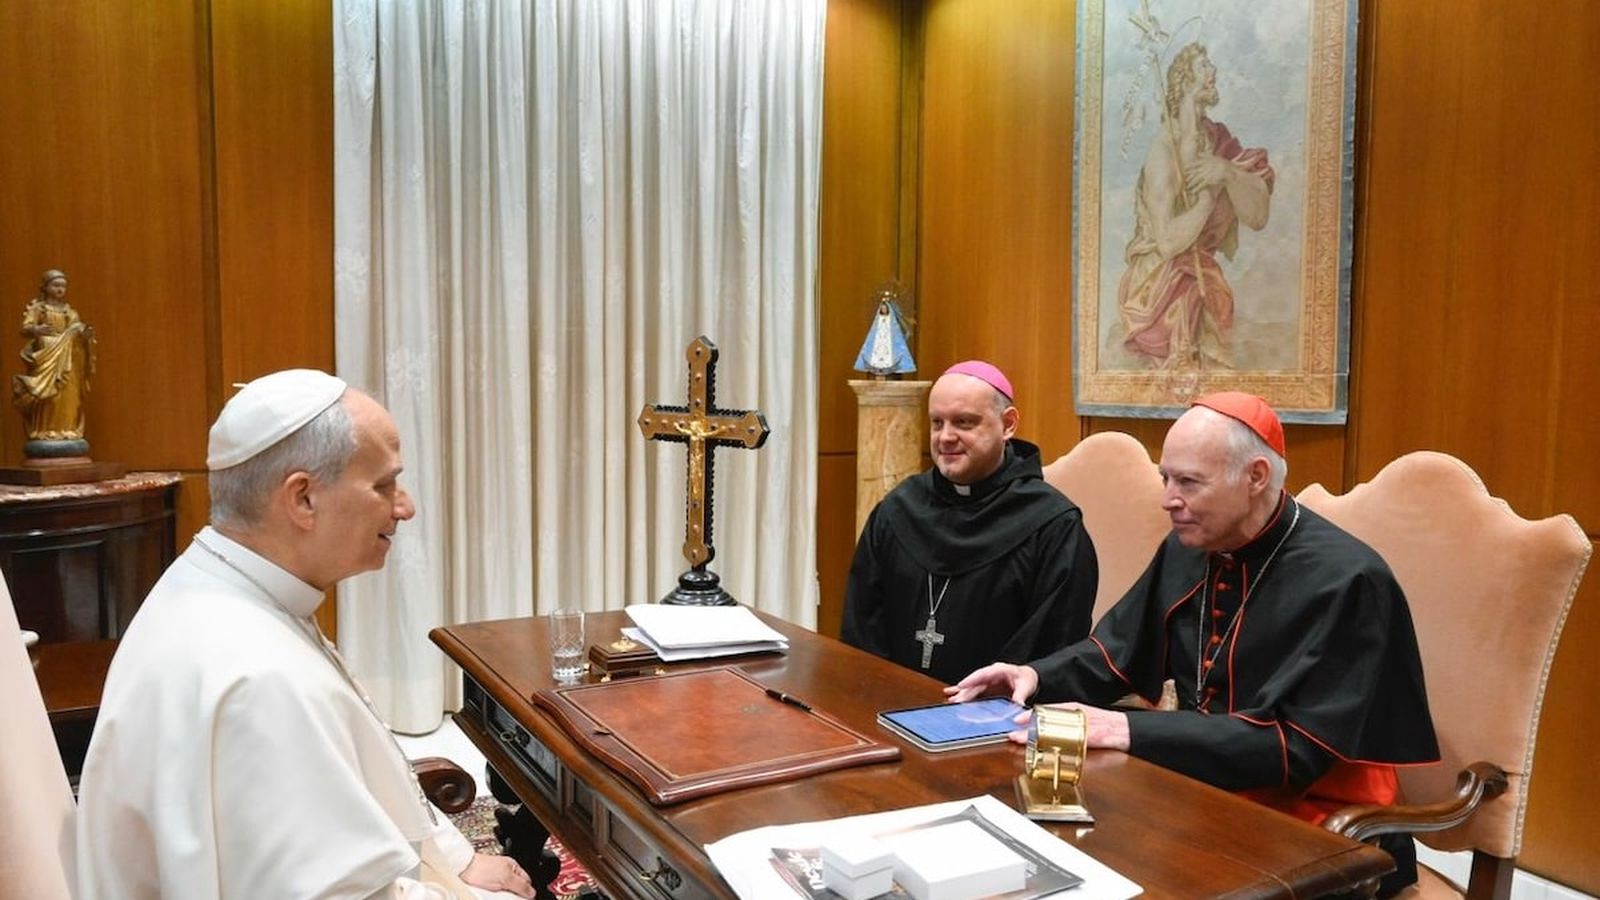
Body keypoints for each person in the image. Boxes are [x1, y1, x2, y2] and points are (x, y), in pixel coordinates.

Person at [948, 392, 1438, 897]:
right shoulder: (1192, 544)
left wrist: (1126, 729)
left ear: (1256, 477)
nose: (1168, 499)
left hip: (1316, 818)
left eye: (1188, 482)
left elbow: (1295, 751)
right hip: (1203, 792)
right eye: (1166, 478)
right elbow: (1118, 650)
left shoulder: (1350, 580)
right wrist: (1035, 675)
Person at [76, 369, 534, 900]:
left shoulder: (224, 584)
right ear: (302, 499)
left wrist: (452, 858)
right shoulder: (255, 674)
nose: (404, 506)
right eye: (384, 484)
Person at [841, 360, 1098, 684]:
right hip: (887, 711)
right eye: (937, 423)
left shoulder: (1052, 525)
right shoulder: (898, 510)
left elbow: (1052, 649)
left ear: (1008, 424)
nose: (945, 437)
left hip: (996, 722)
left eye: (964, 422)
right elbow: (862, 630)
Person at [1117, 43, 1273, 370]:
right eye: (1204, 66)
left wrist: (1227, 172)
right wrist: (1207, 199)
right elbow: (1169, 243)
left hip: (1202, 280)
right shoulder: (1164, 151)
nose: (1213, 72)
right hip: (1160, 289)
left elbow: (1257, 216)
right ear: (1186, 80)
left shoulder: (1216, 140)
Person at [12, 269, 96, 454]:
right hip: (47, 356)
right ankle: (45, 430)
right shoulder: (38, 308)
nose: (60, 289)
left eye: (63, 286)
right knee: (50, 396)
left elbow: (77, 331)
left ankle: (67, 429)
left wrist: (84, 335)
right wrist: (37, 330)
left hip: (68, 362)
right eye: (56, 285)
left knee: (67, 394)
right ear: (45, 287)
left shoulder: (69, 312)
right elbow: (25, 329)